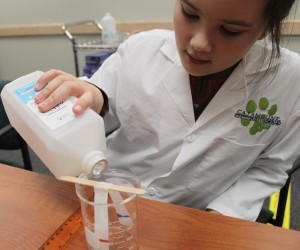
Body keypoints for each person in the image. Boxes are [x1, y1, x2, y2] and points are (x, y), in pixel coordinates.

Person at [34, 0, 299, 221]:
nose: (199, 43)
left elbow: (269, 166)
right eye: (189, 13)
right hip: (107, 200)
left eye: (230, 30)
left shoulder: (289, 81)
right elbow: (102, 97)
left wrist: (222, 216)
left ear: (268, 26)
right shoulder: (141, 50)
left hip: (191, 218)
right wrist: (91, 97)